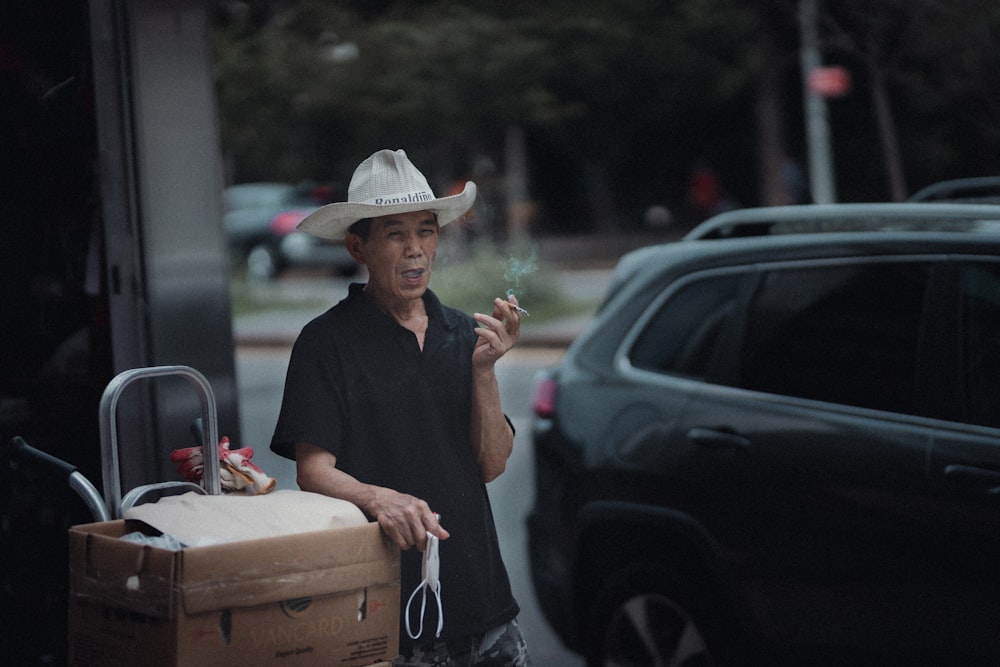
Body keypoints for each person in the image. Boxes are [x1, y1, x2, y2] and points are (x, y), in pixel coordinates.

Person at [270, 149, 530, 666]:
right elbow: (312, 470)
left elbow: (492, 464)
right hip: (389, 615)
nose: (415, 250)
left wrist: (484, 372)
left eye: (426, 231)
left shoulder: (462, 332)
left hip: (486, 605)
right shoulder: (326, 342)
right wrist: (380, 499)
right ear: (357, 246)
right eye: (395, 234)